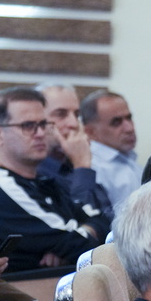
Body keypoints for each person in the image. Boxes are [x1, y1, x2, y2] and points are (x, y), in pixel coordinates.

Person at [0, 87, 112, 270]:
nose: (40, 133)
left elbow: (102, 220)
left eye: (43, 124)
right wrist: (78, 238)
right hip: (34, 285)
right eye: (28, 126)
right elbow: (84, 247)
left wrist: (77, 237)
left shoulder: (40, 180)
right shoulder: (2, 189)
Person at [35, 83, 112, 216]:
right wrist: (82, 164)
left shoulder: (71, 166)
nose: (74, 124)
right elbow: (83, 219)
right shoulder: (35, 174)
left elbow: (107, 217)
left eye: (76, 114)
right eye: (61, 114)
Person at [81, 89, 143, 209]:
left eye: (129, 118)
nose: (129, 128)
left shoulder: (127, 158)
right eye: (116, 122)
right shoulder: (93, 169)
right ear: (90, 132)